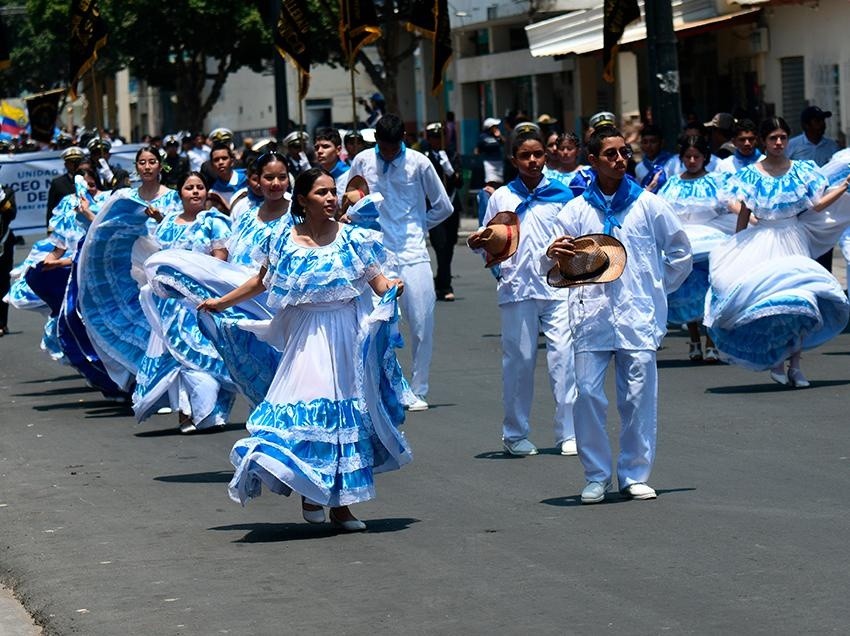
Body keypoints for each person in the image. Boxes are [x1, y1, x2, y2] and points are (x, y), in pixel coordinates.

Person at [197, 168, 411, 531]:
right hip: (305, 338)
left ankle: (342, 507)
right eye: (322, 193)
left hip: (345, 336)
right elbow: (260, 281)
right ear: (302, 200)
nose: (331, 199)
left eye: (333, 192)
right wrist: (221, 302)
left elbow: (378, 282)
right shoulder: (283, 239)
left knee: (346, 417)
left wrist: (393, 285)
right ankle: (311, 492)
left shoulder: (356, 239)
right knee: (309, 413)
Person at [544, 125, 692, 503]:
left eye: (624, 152)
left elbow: (680, 254)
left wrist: (657, 289)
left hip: (637, 315)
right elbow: (556, 265)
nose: (620, 159)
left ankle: (634, 473)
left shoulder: (649, 204)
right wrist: (556, 254)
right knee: (588, 394)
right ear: (592, 161)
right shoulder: (575, 211)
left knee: (639, 395)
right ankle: (596, 474)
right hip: (590, 315)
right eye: (610, 154)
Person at [705, 116, 850, 388]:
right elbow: (744, 214)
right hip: (762, 241)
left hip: (794, 238)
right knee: (773, 304)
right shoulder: (749, 175)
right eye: (773, 138)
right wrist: (737, 247)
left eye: (783, 137)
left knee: (803, 300)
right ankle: (778, 361)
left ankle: (795, 366)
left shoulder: (802, 170)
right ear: (764, 141)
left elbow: (817, 205)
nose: (779, 142)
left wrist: (843, 186)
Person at [468, 128, 577, 457]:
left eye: (538, 154)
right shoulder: (501, 197)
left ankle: (568, 432)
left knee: (564, 359)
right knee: (520, 361)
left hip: (557, 286)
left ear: (547, 156)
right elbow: (488, 241)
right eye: (526, 155)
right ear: (514, 159)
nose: (533, 160)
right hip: (517, 287)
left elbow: (578, 237)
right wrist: (479, 245)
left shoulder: (563, 194)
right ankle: (515, 434)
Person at [347, 114, 453, 411]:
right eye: (384, 147)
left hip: (412, 253)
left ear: (403, 139)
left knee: (421, 322)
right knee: (372, 325)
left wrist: (420, 225)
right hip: (376, 254)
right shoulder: (363, 161)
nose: (390, 153)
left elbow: (444, 206)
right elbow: (349, 198)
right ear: (376, 141)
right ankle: (377, 387)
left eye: (394, 147)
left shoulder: (419, 162)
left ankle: (418, 388)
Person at [135, 172, 236, 432]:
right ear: (179, 192)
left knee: (206, 357)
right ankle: (186, 411)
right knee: (180, 359)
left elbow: (220, 262)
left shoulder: (215, 223)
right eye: (189, 187)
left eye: (200, 187)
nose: (195, 192)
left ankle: (210, 413)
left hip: (204, 302)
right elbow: (159, 259)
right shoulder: (167, 224)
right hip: (172, 304)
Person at [657, 135, 736, 361]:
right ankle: (694, 340)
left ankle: (711, 340)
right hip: (685, 244)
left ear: (705, 158)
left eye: (697, 156)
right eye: (688, 156)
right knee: (685, 291)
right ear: (681, 158)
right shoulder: (672, 184)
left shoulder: (716, 182)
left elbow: (730, 206)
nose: (692, 160)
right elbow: (663, 213)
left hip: (712, 242)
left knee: (710, 293)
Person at [423, 122, 462, 302]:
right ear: (428, 139)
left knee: (450, 245)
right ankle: (446, 285)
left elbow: (459, 181)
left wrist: (449, 168)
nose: (437, 141)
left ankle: (440, 280)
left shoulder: (452, 155)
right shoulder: (424, 157)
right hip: (434, 208)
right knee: (440, 246)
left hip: (452, 206)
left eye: (440, 137)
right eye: (433, 137)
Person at [46, 146, 85, 228]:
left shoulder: (89, 180)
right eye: (71, 162)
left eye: (77, 162)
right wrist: (50, 228)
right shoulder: (57, 183)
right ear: (66, 164)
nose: (75, 165)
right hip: (65, 225)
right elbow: (51, 208)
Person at [634, 124, 674, 193]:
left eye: (653, 142)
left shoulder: (673, 162)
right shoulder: (639, 167)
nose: (648, 146)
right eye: (645, 142)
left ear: (661, 143)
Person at [209, 142, 248, 210]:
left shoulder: (248, 180)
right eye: (216, 160)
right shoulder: (213, 193)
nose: (220, 162)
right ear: (212, 165)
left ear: (232, 162)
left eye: (224, 158)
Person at [0, 184, 17, 336]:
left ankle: (1, 323)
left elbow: (11, 214)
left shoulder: (7, 192)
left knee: (3, 283)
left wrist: (2, 200)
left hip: (3, 243)